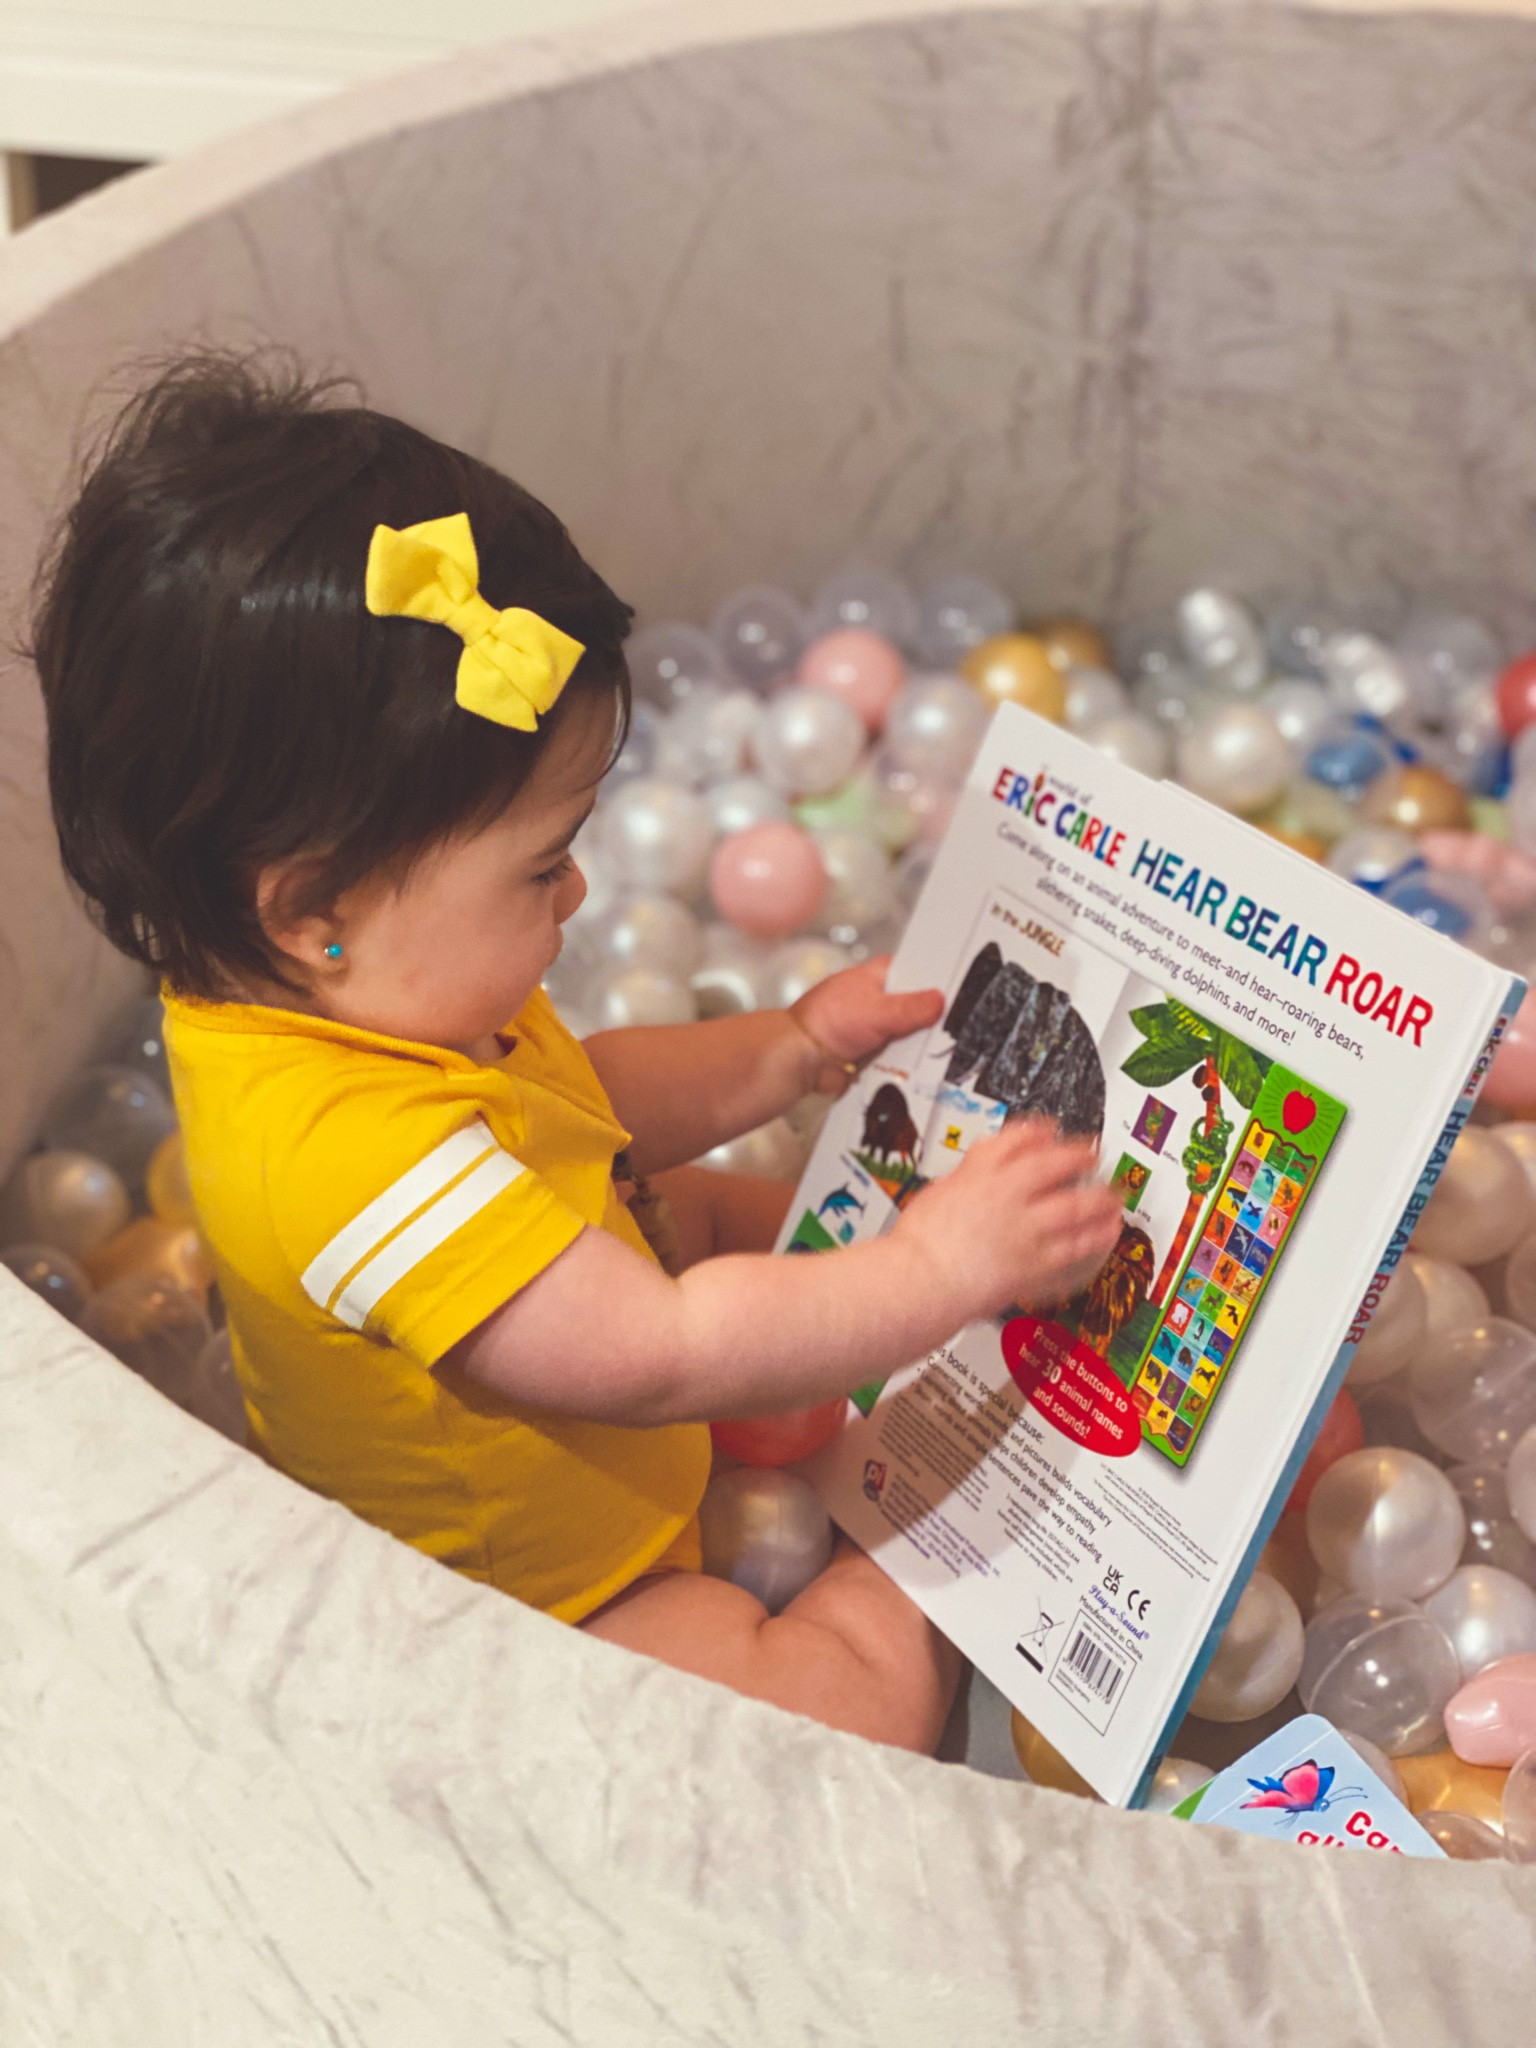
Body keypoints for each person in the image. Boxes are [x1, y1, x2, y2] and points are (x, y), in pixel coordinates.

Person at [33, 353, 1121, 1753]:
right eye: (543, 866)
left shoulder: (353, 989)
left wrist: (787, 1047)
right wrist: (925, 1277)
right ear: (315, 911)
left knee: (775, 1217)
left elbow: (582, 1100)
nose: (582, 898)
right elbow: (660, 1355)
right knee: (835, 1721)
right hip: (538, 1588)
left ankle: (904, 1329)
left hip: (594, 1309)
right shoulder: (345, 1157)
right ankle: (917, 1560)